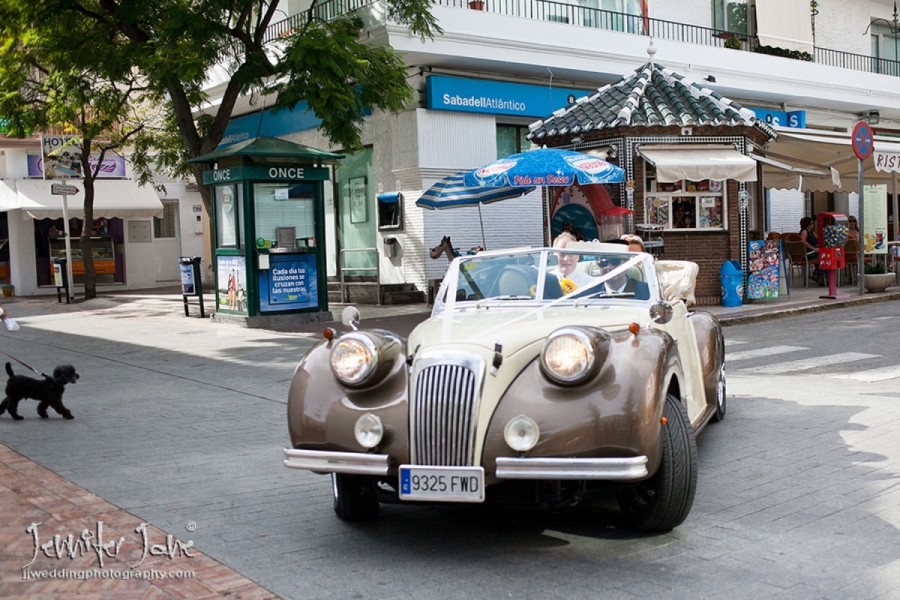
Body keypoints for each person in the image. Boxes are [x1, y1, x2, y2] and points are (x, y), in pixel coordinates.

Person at [800, 216, 825, 285]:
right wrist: (813, 248)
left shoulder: (811, 232)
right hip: (809, 253)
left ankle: (820, 278)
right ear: (808, 225)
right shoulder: (805, 231)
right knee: (824, 258)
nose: (813, 225)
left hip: (813, 252)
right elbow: (803, 241)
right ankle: (817, 275)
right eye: (811, 223)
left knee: (823, 256)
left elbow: (819, 238)